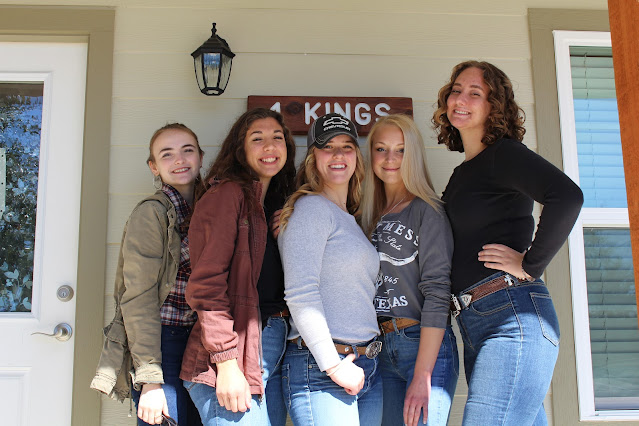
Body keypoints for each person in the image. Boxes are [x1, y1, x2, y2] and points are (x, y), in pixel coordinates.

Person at [432, 60, 584, 425]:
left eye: (475, 93)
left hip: (511, 316)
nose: (461, 99)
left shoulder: (503, 153)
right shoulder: (465, 172)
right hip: (477, 320)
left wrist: (530, 264)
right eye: (456, 90)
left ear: (494, 106)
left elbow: (567, 196)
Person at [179, 108, 296, 425]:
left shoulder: (274, 204)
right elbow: (207, 286)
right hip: (231, 354)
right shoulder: (227, 195)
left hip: (269, 346)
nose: (270, 146)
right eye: (257, 139)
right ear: (240, 150)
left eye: (277, 137)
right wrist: (227, 364)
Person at [91, 123, 204, 426]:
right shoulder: (152, 213)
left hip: (200, 344)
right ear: (154, 167)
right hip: (163, 343)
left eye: (187, 150)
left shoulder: (208, 209)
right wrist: (151, 380)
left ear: (201, 157)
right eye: (167, 155)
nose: (179, 160)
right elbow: (137, 298)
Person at [278, 113, 383, 426]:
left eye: (347, 147)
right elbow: (300, 292)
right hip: (323, 367)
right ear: (313, 158)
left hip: (366, 365)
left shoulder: (348, 219)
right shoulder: (310, 209)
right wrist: (333, 365)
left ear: (356, 158)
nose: (338, 155)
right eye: (328, 147)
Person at [360, 114, 458, 426]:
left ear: (413, 155)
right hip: (379, 348)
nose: (390, 159)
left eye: (401, 150)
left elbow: (438, 293)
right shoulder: (366, 216)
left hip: (422, 344)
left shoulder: (427, 210)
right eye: (381, 149)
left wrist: (423, 374)